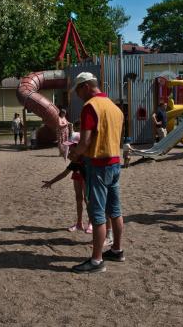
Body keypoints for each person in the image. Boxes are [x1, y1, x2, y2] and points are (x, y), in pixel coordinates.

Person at [68, 72, 124, 274]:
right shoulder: (114, 107)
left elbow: (85, 142)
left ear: (85, 86)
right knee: (115, 211)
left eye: (78, 91)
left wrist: (75, 153)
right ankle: (117, 249)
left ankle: (96, 260)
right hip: (115, 163)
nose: (78, 96)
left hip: (98, 165)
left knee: (97, 213)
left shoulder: (90, 106)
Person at [42, 133, 92, 234]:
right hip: (77, 176)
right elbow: (64, 174)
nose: (69, 148)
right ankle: (79, 223)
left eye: (72, 146)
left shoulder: (87, 159)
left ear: (79, 146)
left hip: (87, 178)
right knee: (78, 198)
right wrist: (51, 182)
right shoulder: (74, 161)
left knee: (87, 200)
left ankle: (91, 223)